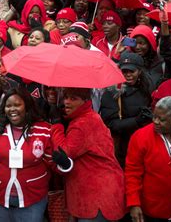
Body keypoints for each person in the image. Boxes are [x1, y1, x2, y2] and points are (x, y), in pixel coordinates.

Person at [0, 87, 56, 221]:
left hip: (33, 198)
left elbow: (51, 163)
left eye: (17, 105)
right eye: (8, 106)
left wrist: (65, 164)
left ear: (27, 106)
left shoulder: (43, 130)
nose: (12, 109)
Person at [50, 87, 126, 221]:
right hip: (103, 191)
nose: (66, 102)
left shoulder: (82, 123)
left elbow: (62, 152)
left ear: (85, 100)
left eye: (73, 98)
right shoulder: (90, 117)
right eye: (66, 97)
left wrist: (56, 125)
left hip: (96, 197)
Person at [125, 96, 171, 222]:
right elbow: (132, 172)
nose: (155, 121)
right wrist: (134, 203)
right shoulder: (141, 137)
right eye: (154, 116)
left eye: (162, 119)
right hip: (152, 211)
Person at [100, 52, 154, 167]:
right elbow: (110, 124)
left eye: (132, 71)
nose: (128, 75)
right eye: (125, 71)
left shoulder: (148, 87)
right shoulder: (112, 92)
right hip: (124, 147)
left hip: (145, 143)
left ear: (139, 71)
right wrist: (136, 121)